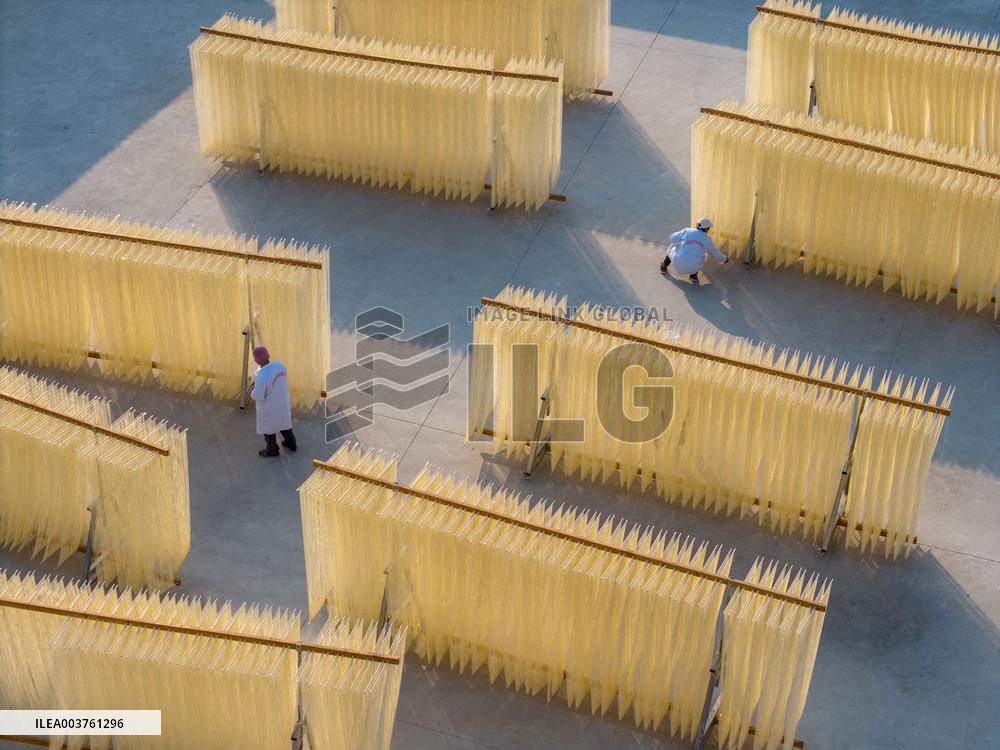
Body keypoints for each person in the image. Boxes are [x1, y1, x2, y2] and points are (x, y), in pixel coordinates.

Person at [250, 346, 297, 458]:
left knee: (269, 428)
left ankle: (272, 450)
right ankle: (291, 443)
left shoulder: (261, 377)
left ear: (256, 360)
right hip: (282, 402)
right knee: (284, 423)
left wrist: (252, 392)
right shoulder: (280, 366)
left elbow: (258, 396)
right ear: (268, 355)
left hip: (269, 408)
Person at [659, 217, 728, 285]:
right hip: (694, 268)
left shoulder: (687, 231)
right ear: (708, 229)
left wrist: (682, 242)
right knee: (703, 256)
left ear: (697, 225)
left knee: (672, 247)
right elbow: (715, 252)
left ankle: (664, 267)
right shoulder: (708, 239)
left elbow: (672, 238)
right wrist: (724, 259)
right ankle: (693, 276)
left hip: (678, 264)